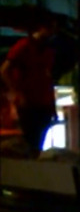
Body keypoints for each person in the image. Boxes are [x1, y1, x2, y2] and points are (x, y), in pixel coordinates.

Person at [1, 15, 58, 154]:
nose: (53, 32)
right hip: (29, 101)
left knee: (38, 140)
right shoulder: (24, 46)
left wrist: (52, 106)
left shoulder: (48, 50)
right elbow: (4, 70)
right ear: (41, 28)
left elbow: (47, 79)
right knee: (31, 139)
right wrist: (17, 92)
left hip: (43, 102)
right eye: (50, 28)